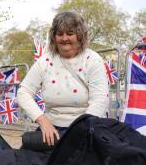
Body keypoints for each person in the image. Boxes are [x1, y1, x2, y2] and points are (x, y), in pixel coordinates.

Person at [17, 11, 109, 147]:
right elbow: (23, 93)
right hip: (52, 130)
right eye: (60, 34)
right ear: (54, 37)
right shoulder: (45, 61)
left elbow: (100, 99)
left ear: (80, 36)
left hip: (87, 127)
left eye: (70, 33)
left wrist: (81, 129)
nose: (64, 38)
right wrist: (43, 121)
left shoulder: (93, 60)